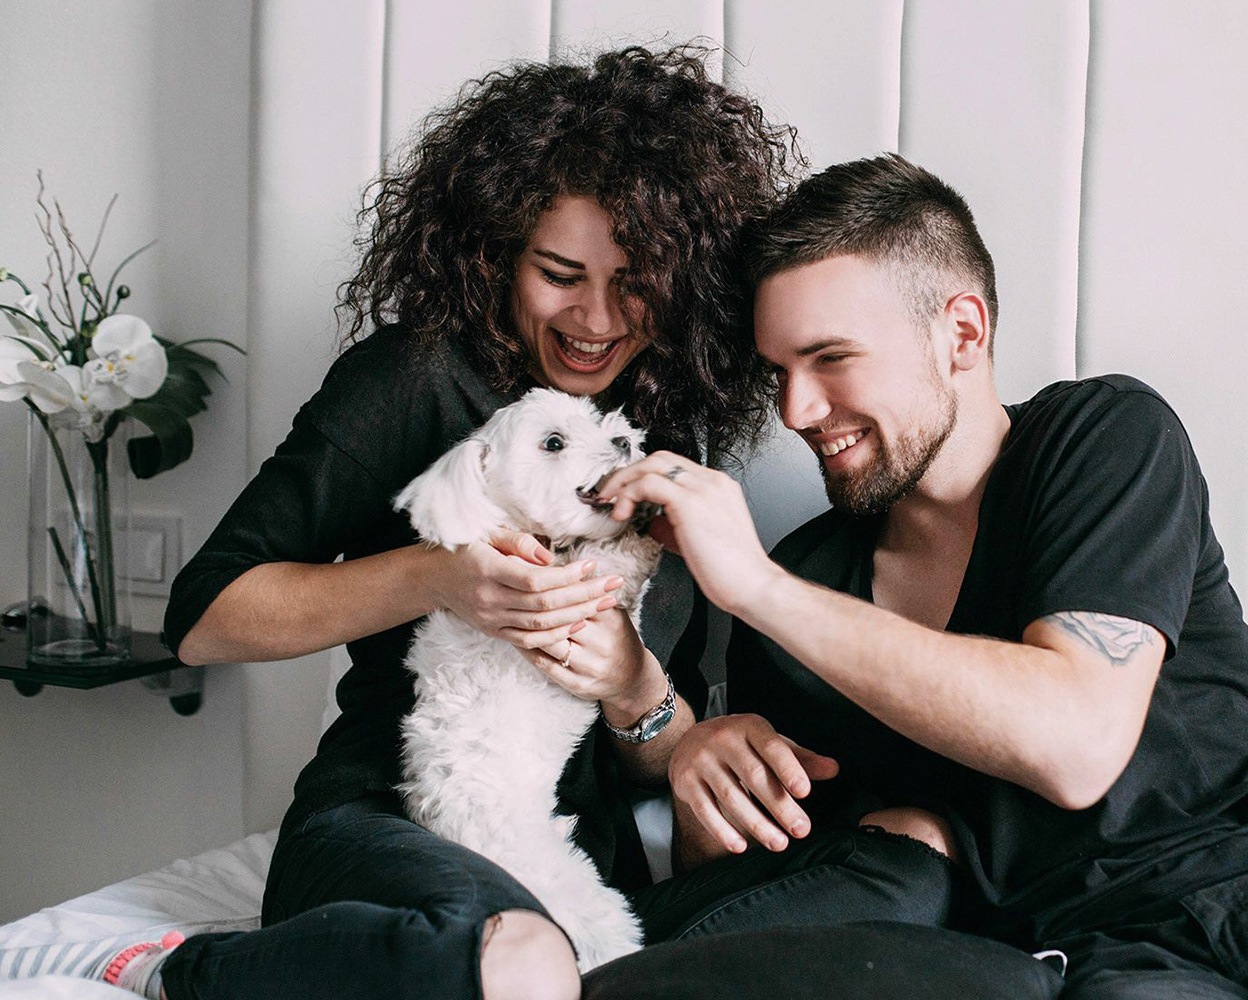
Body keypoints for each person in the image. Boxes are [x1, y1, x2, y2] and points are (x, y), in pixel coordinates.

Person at [599, 154, 1248, 999]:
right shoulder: (809, 586)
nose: (799, 408)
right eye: (779, 371)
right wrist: (698, 772)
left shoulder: (1101, 438)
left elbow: (1075, 741)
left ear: (963, 334)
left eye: (831, 359)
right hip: (1099, 953)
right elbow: (779, 909)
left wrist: (758, 586)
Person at [102, 46, 800, 1000]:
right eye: (559, 273)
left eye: (635, 282)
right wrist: (439, 577)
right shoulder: (418, 377)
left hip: (572, 850)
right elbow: (205, 617)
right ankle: (200, 974)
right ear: (496, 254)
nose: (597, 318)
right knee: (519, 961)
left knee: (891, 878)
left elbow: (655, 754)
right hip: (388, 820)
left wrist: (639, 690)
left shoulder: (666, 433)